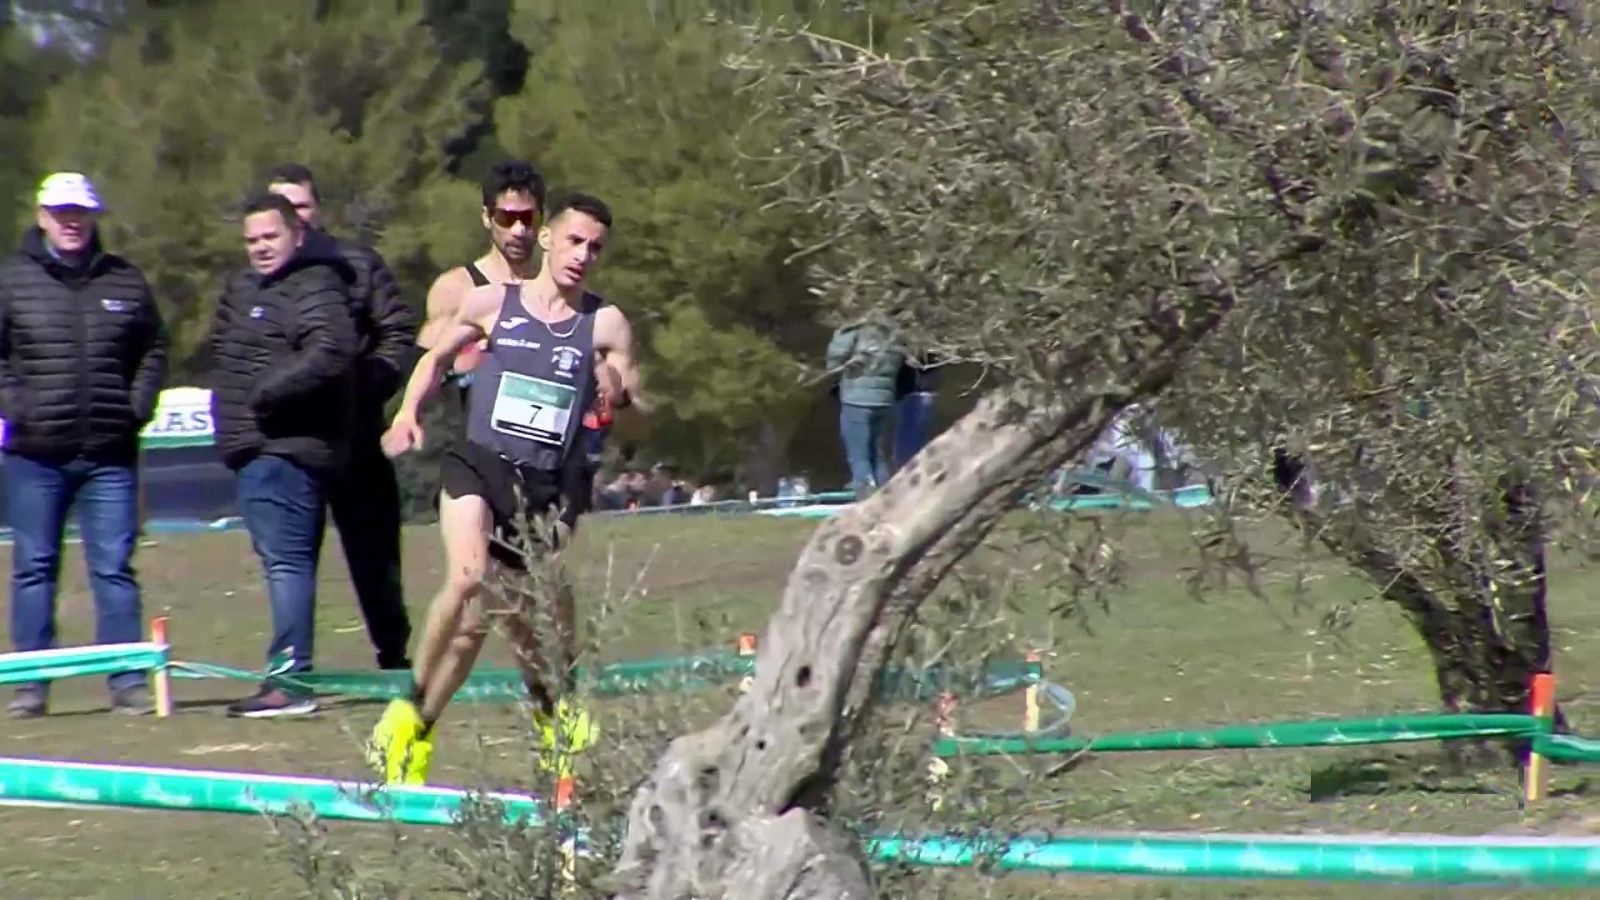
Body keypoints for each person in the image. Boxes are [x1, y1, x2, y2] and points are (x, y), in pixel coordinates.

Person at [368, 192, 646, 785]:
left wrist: (613, 385)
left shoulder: (605, 322)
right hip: (478, 463)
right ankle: (407, 707)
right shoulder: (493, 301)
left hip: (547, 481)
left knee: (518, 618)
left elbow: (634, 397)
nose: (583, 256)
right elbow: (436, 358)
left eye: (595, 248)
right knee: (467, 579)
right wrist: (407, 413)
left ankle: (547, 710)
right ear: (547, 238)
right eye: (574, 241)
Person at [0, 172, 168, 718]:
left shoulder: (125, 281)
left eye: (81, 211)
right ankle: (31, 684)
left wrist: (137, 404)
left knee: (114, 566)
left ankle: (126, 683)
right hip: (34, 455)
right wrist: (15, 405)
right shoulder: (11, 280)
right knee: (34, 567)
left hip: (108, 455)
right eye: (61, 211)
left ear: (93, 217)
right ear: (42, 216)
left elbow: (155, 349)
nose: (72, 221)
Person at [209, 192, 357, 718]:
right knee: (283, 564)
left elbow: (333, 349)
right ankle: (290, 675)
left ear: (297, 232)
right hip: (256, 449)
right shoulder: (248, 287)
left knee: (286, 565)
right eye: (251, 240)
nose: (260, 248)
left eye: (270, 236)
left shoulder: (313, 283)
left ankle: (290, 682)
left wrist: (267, 393)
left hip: (285, 449)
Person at [266, 163, 417, 672]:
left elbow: (397, 331)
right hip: (289, 442)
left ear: (317, 209)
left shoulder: (357, 264)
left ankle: (393, 652)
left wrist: (368, 384)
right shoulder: (256, 277)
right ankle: (292, 665)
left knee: (375, 555)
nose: (293, 217)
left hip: (356, 436)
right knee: (290, 561)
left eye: (301, 206)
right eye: (281, 209)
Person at [826, 318, 903, 499]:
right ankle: (885, 498)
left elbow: (835, 355)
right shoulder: (894, 333)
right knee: (878, 454)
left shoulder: (855, 329)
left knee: (859, 455)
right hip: (885, 400)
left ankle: (865, 496)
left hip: (856, 399)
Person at [892, 354, 942, 470]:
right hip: (924, 393)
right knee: (915, 439)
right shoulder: (933, 346)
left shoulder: (915, 349)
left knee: (907, 443)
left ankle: (907, 472)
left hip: (914, 394)